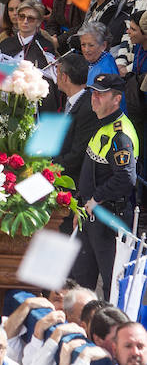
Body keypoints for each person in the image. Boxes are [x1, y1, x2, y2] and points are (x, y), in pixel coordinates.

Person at [71, 73, 139, 296]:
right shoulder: (103, 125)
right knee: (82, 281)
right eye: (93, 92)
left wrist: (95, 198)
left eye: (101, 94)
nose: (94, 98)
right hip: (91, 217)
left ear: (117, 99)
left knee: (113, 286)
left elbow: (125, 178)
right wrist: (82, 206)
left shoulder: (121, 135)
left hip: (109, 219)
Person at [56, 54, 96, 188]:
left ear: (65, 77)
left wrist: (51, 166)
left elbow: (77, 154)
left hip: (74, 180)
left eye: (57, 73)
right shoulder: (72, 101)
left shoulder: (87, 108)